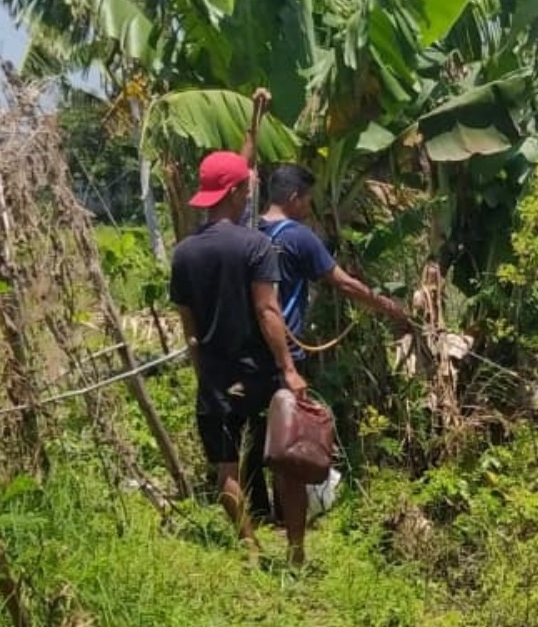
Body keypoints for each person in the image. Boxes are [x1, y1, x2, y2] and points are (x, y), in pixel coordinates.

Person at [243, 163, 410, 526]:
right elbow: (343, 283)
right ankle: (288, 519)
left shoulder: (250, 231)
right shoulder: (299, 237)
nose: (309, 207)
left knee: (254, 435)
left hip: (247, 352)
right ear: (293, 197)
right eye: (307, 200)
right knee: (287, 436)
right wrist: (386, 306)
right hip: (285, 353)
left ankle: (255, 515)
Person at [168, 149, 311, 567]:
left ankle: (249, 548)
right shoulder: (255, 245)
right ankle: (295, 552)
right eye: (245, 190)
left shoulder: (184, 253)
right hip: (261, 373)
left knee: (226, 468)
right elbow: (268, 311)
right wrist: (288, 369)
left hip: (215, 375)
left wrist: (204, 374)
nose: (249, 195)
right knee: (287, 462)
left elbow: (189, 327)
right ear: (233, 192)